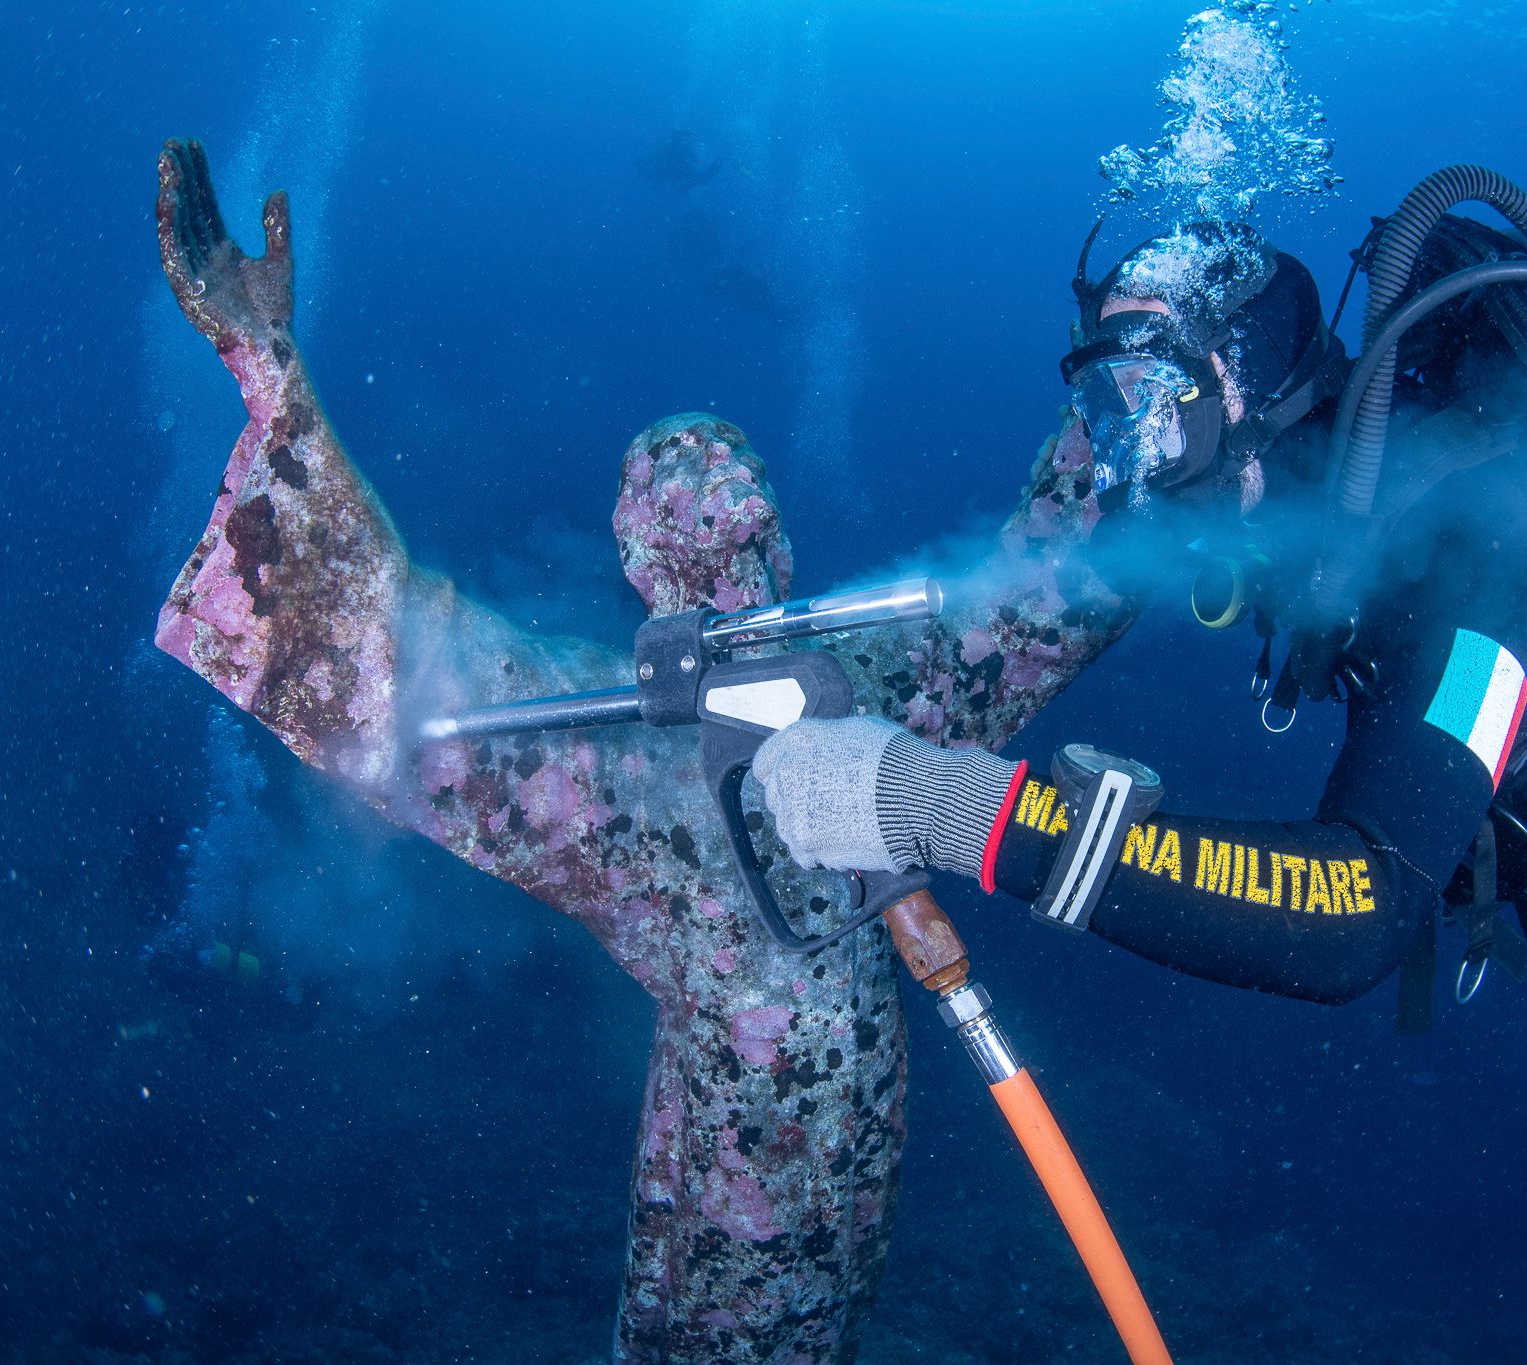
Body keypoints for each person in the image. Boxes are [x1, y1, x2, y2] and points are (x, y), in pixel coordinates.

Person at [150, 139, 1137, 1362]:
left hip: (814, 1173)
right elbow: (1056, 579)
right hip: (749, 1191)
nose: (721, 524)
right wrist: (263, 365)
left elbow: (1048, 592)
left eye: (729, 497)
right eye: (695, 507)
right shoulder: (652, 732)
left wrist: (1131, 398)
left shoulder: (812, 690)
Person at [753, 149, 1527, 1018]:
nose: (1121, 458)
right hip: (1414, 677)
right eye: (1107, 409)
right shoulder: (1287, 495)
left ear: (1251, 388)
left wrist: (938, 802)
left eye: (1155, 405)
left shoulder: (1478, 572)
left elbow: (1354, 917)